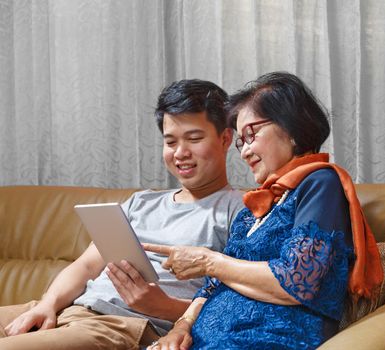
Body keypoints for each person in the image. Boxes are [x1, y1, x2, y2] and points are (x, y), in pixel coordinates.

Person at [145, 72, 383, 349]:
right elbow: (212, 285)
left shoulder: (320, 184)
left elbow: (297, 281)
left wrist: (209, 261)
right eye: (241, 141)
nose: (244, 152)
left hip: (270, 340)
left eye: (251, 135)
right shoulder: (254, 209)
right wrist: (181, 327)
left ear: (292, 129)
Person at [0, 79, 244, 350]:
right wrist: (47, 305)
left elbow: (240, 306)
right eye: (170, 141)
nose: (180, 153)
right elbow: (86, 266)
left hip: (119, 326)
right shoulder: (141, 202)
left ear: (225, 139)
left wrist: (165, 307)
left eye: (194, 138)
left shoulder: (240, 210)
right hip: (68, 311)